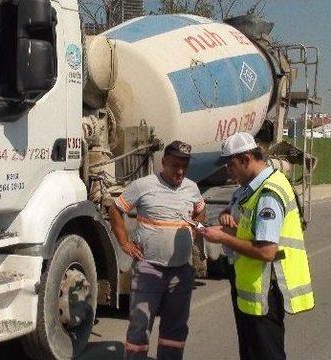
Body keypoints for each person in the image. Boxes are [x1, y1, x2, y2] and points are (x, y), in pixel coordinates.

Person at [198, 132, 314, 360]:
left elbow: (266, 250)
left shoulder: (268, 194)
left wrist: (222, 238)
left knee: (266, 353)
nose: (227, 171)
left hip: (265, 290)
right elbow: (251, 229)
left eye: (230, 165)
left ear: (246, 159)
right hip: (253, 288)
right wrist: (229, 221)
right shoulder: (252, 189)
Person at [108, 140, 206, 360]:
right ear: (163, 162)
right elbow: (115, 210)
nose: (180, 171)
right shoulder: (143, 185)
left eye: (184, 166)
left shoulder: (191, 187)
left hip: (180, 271)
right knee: (140, 325)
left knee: (175, 328)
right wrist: (125, 244)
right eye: (175, 165)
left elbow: (201, 210)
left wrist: (194, 231)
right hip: (148, 269)